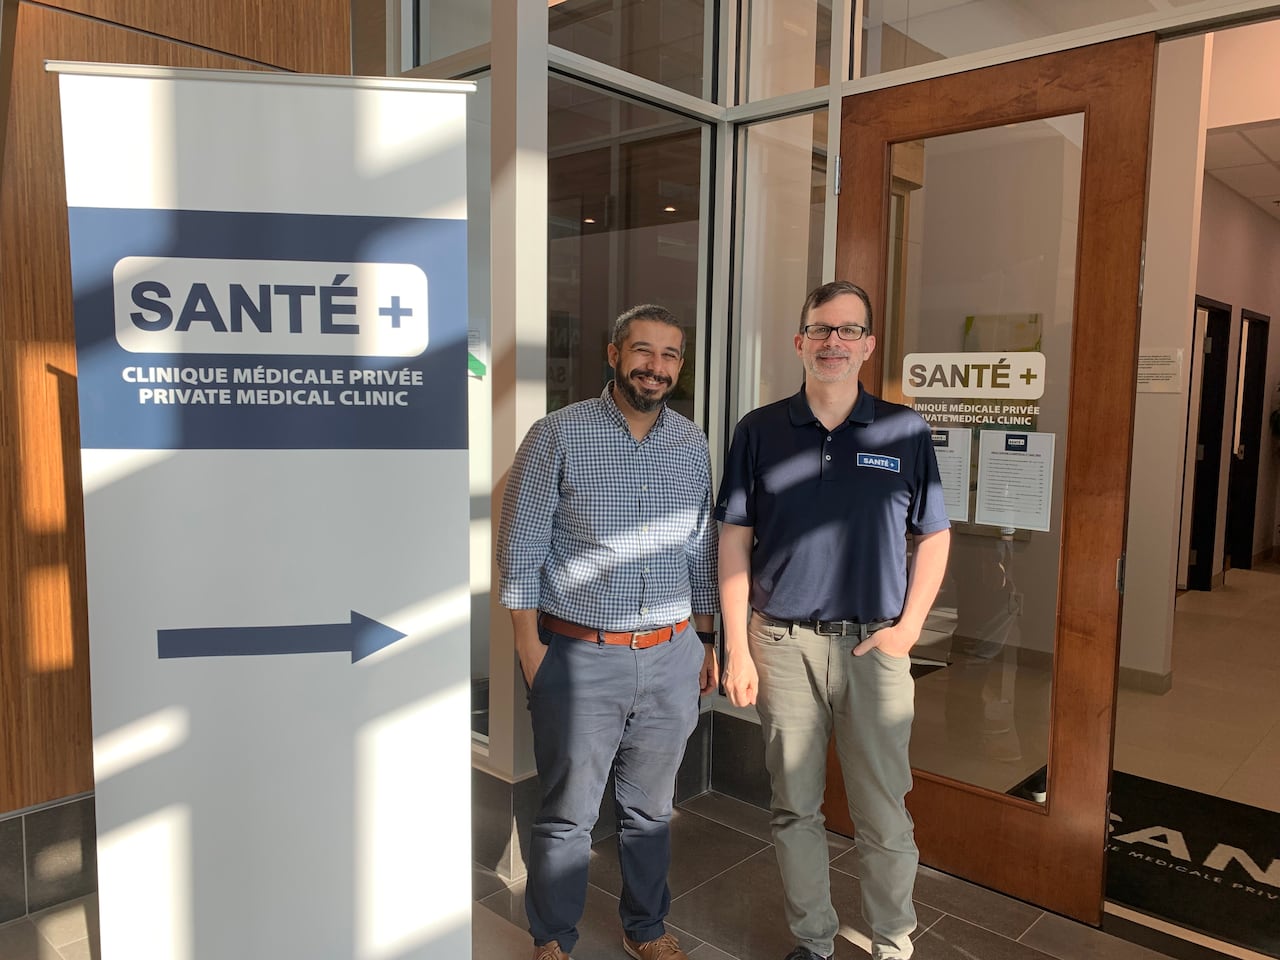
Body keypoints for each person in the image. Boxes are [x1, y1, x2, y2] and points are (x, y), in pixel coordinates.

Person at [715, 281, 951, 960]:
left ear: (869, 346)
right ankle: (814, 942)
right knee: (795, 807)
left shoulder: (904, 430)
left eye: (849, 331)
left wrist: (907, 629)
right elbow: (734, 536)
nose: (834, 343)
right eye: (821, 330)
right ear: (800, 342)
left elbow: (933, 534)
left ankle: (893, 944)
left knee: (883, 813)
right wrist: (736, 647)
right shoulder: (759, 430)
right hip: (781, 643)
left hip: (873, 647)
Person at [497, 303, 720, 960]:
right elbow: (522, 546)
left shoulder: (690, 442)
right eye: (644, 351)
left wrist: (704, 641)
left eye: (670, 355)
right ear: (614, 352)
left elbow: (701, 552)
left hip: (672, 654)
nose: (656, 367)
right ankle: (553, 939)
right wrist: (530, 648)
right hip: (580, 655)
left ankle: (644, 928)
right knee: (568, 814)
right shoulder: (557, 434)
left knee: (652, 810)